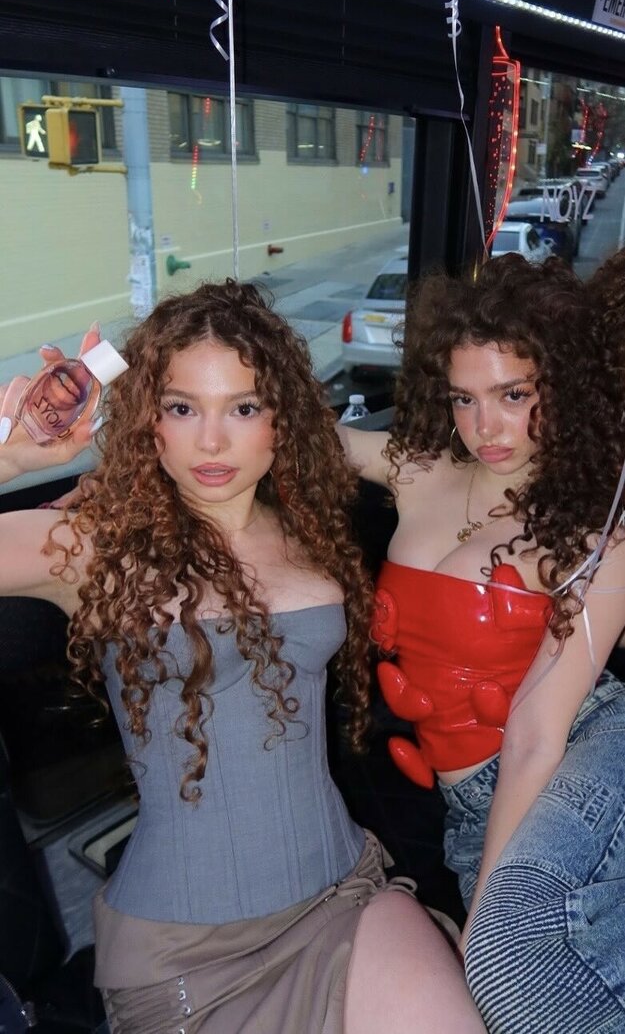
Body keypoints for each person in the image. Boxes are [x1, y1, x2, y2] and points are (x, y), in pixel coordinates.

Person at [0, 281, 485, 1034]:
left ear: (281, 417)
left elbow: (474, 474)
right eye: (182, 407)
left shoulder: (306, 527)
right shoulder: (93, 545)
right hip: (188, 953)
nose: (212, 442)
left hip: (342, 893)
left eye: (244, 407)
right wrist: (9, 454)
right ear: (147, 419)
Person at [338, 253, 625, 1033]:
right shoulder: (419, 469)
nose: (484, 427)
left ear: (562, 386)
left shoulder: (597, 524)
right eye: (462, 398)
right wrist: (119, 438)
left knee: (504, 971)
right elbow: (289, 434)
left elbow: (535, 733)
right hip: (468, 804)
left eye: (512, 395)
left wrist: (485, 922)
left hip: (577, 756)